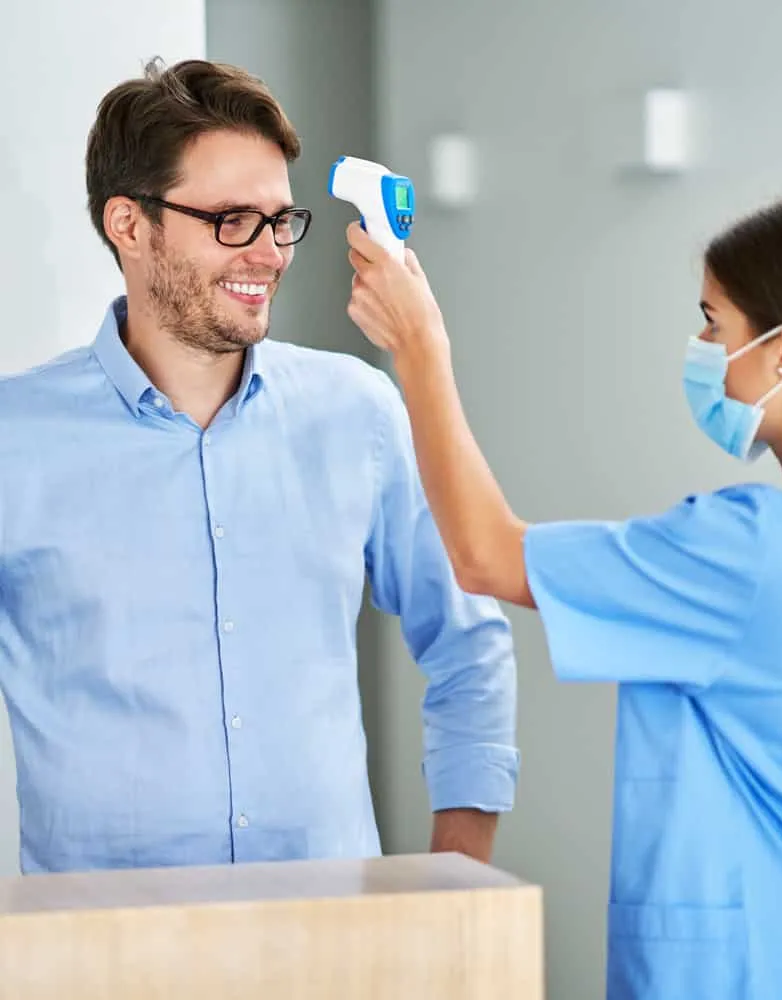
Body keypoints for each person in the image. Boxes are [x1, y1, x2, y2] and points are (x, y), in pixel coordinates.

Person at [345, 188, 782, 999]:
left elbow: (483, 555)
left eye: (714, 323)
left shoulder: (750, 553)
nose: (701, 345)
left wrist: (419, 345)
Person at [0, 58, 519, 875]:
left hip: (334, 946)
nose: (270, 254)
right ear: (129, 227)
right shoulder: (15, 438)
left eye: (280, 221)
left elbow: (467, 644)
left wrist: (457, 880)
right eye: (232, 220)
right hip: (100, 957)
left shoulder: (359, 412)